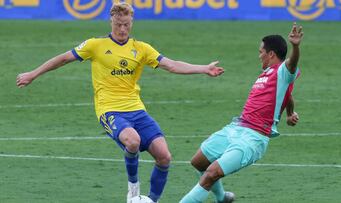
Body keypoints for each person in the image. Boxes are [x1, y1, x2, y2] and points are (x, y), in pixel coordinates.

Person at [16, 2, 224, 203]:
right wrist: (33, 74)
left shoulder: (141, 48)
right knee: (132, 141)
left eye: (126, 25)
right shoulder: (95, 45)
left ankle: (151, 200)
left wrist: (203, 68)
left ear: (132, 22)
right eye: (118, 25)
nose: (122, 29)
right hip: (109, 110)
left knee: (164, 156)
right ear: (111, 22)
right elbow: (62, 59)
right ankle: (133, 187)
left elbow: (171, 65)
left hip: (137, 109)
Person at [179, 22, 303, 203]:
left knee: (210, 174)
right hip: (236, 127)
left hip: (253, 137)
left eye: (261, 51)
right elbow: (288, 94)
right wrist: (290, 113)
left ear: (271, 54)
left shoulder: (283, 71)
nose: (259, 55)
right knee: (198, 162)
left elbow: (292, 64)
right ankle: (222, 198)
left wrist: (295, 46)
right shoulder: (267, 74)